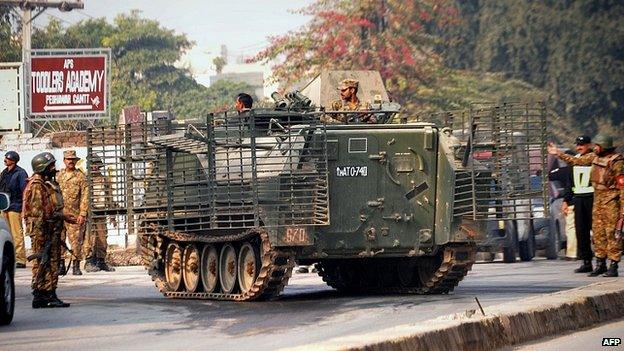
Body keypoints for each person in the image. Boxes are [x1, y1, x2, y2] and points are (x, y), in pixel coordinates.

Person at [548, 134, 624, 277]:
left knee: (611, 234)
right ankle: (600, 263)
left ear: (604, 146)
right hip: (597, 200)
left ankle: (613, 265)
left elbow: (622, 186)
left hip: (611, 201)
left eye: (597, 145)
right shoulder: (593, 157)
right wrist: (558, 153)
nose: (595, 148)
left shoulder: (617, 162)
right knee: (598, 233)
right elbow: (576, 161)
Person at [23, 152, 75, 308]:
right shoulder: (37, 185)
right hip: (44, 231)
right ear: (43, 167)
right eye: (51, 165)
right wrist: (43, 234)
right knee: (48, 261)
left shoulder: (46, 183)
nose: (54, 168)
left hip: (50, 229)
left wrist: (62, 216)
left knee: (46, 262)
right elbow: (39, 213)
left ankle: (43, 294)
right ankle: (47, 294)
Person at [563, 136, 595, 272]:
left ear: (589, 145)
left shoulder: (594, 158)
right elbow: (569, 183)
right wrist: (566, 200)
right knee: (581, 231)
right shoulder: (574, 161)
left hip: (594, 199)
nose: (579, 147)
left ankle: (601, 262)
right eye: (577, 145)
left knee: (598, 232)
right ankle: (586, 262)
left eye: (582, 145)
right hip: (579, 200)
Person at [57, 150, 88, 276]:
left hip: (74, 215)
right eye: (68, 159)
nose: (70, 161)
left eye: (73, 159)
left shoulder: (80, 176)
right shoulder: (59, 176)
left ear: (76, 161)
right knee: (59, 240)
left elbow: (85, 196)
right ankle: (60, 265)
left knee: (76, 241)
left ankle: (76, 265)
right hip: (59, 214)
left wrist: (82, 214)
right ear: (64, 160)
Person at [84, 156, 116, 272]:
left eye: (96, 165)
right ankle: (89, 261)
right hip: (89, 213)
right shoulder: (85, 180)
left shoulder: (104, 180)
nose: (95, 167)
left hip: (101, 212)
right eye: (93, 165)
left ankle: (101, 261)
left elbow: (110, 198)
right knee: (90, 238)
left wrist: (112, 216)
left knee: (102, 238)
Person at [0, 151, 28, 268]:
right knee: (5, 234)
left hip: (15, 207)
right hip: (4, 206)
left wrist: (24, 210)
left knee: (16, 234)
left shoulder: (20, 173)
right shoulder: (4, 173)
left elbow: (25, 192)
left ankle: (20, 259)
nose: (5, 160)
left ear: (13, 160)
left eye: (8, 158)